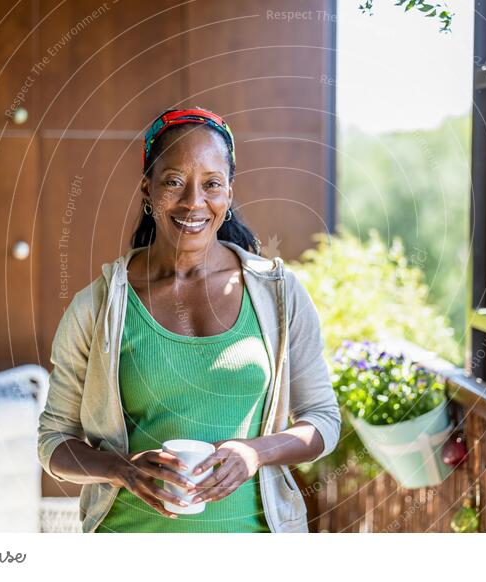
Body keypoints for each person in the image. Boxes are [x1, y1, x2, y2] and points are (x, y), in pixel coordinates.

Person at [37, 107, 341, 533]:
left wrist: (255, 452)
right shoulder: (98, 308)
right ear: (148, 189)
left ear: (229, 193)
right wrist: (121, 469)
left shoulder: (279, 295)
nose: (194, 202)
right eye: (174, 182)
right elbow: (54, 441)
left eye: (212, 184)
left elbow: (323, 420)